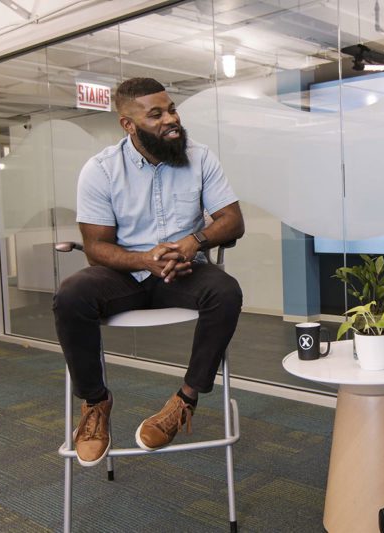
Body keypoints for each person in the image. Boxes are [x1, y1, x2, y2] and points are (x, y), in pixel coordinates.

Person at [53, 77, 244, 467]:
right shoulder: (101, 170)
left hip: (185, 271)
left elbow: (232, 221)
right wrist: (144, 260)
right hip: (126, 274)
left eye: (171, 109)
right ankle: (95, 404)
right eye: (155, 114)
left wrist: (193, 242)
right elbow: (96, 248)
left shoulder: (200, 156)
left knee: (226, 291)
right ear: (128, 124)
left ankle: (184, 400)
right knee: (72, 294)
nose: (170, 119)